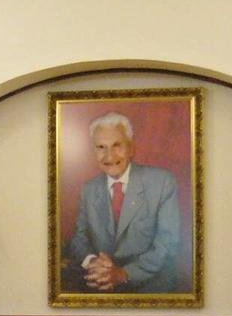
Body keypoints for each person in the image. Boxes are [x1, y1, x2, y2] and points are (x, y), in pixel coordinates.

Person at [65, 112, 180, 292]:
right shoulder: (89, 189)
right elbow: (79, 239)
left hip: (151, 289)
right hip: (101, 286)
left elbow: (168, 244)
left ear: (131, 148)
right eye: (101, 147)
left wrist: (123, 274)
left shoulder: (162, 182)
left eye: (117, 145)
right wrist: (93, 262)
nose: (109, 156)